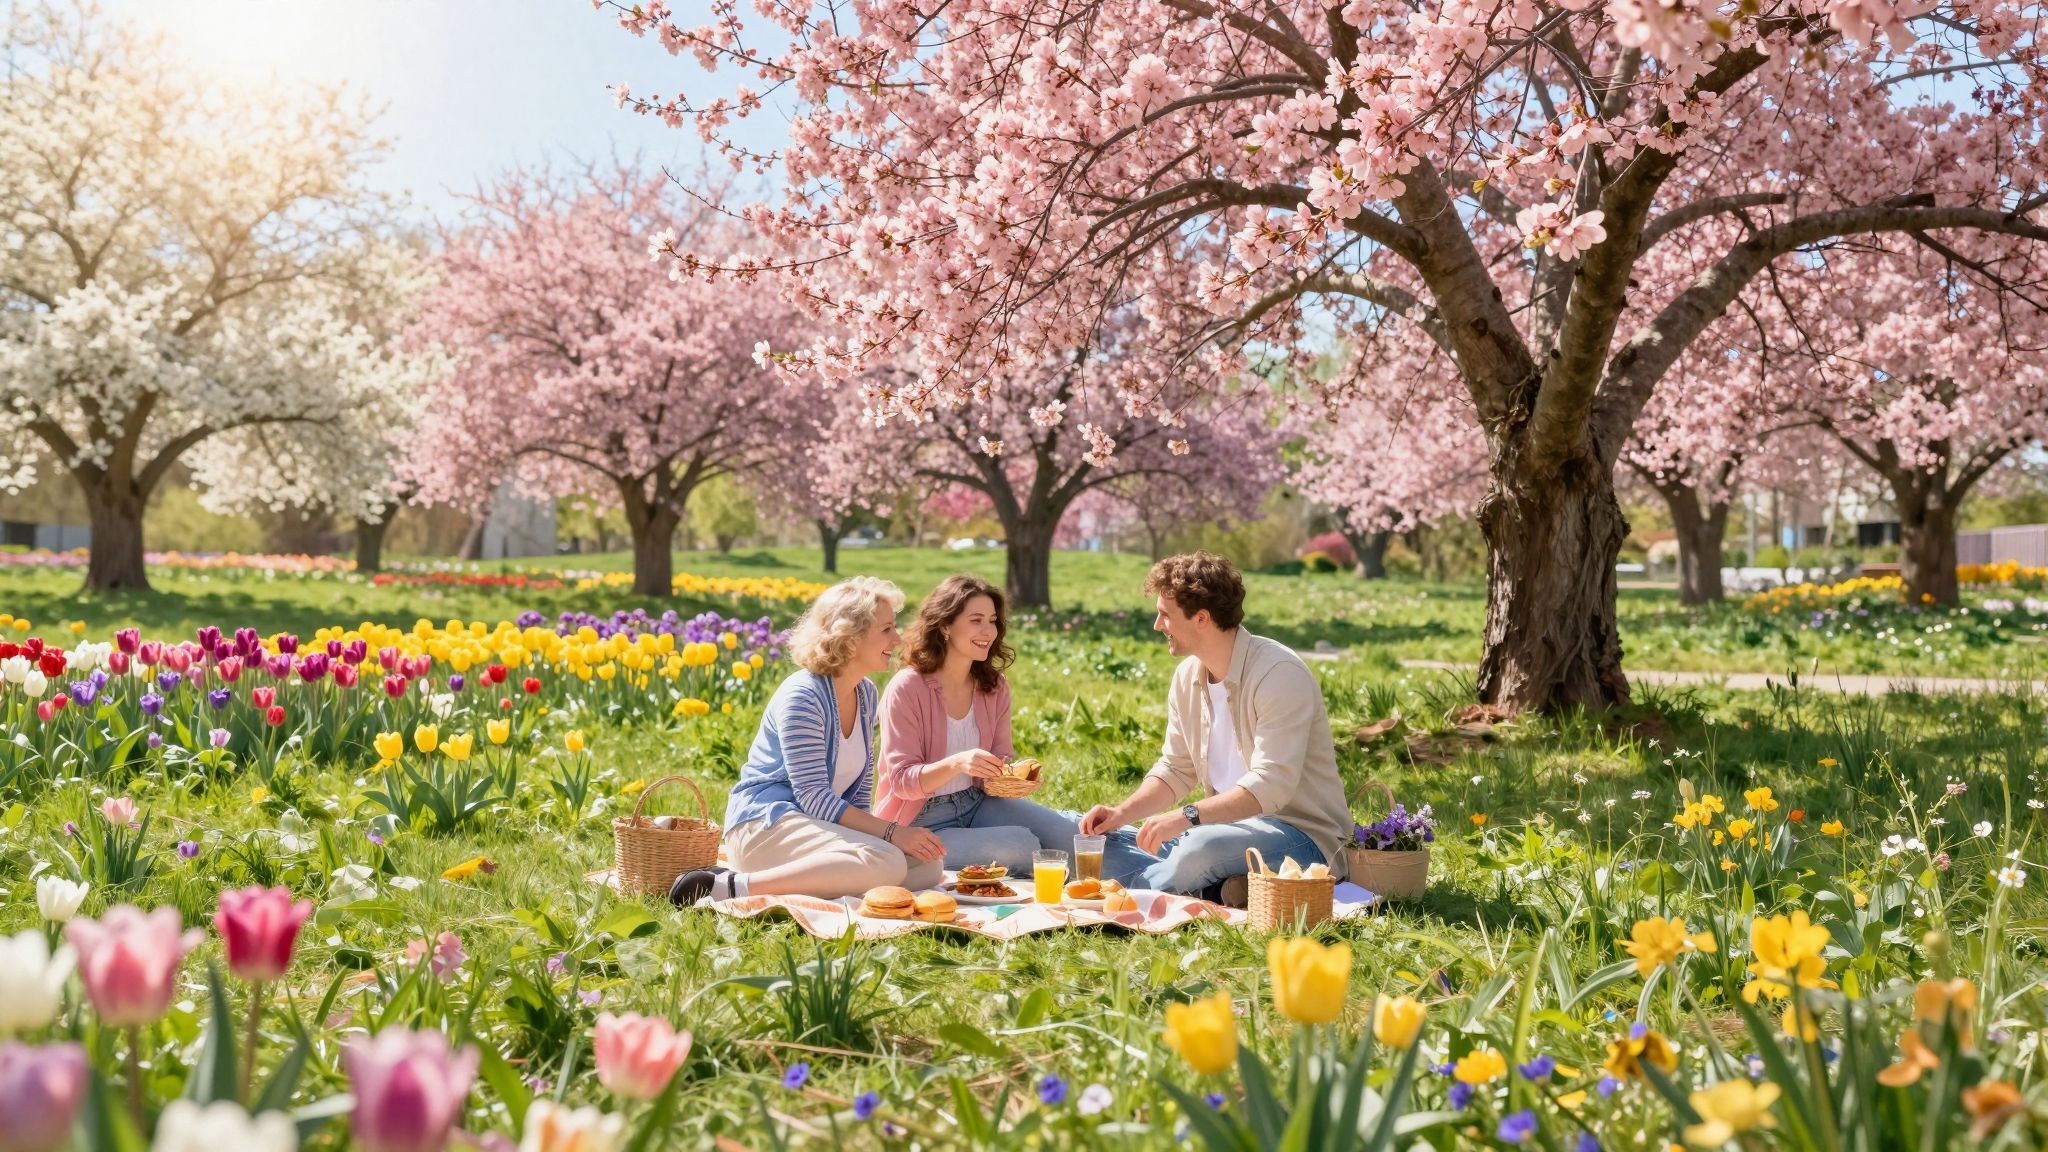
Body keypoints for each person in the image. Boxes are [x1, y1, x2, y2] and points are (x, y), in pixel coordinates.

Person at [1080, 552, 1349, 902]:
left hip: (1303, 837)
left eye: (1165, 614)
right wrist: (1121, 813)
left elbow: (1271, 785)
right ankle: (1213, 887)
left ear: (1202, 618)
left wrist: (1186, 817)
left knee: (1199, 848)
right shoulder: (1187, 677)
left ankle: (1118, 897)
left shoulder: (1279, 673)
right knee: (1096, 838)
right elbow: (1176, 769)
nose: (1158, 625)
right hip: (1222, 831)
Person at [670, 576, 945, 904]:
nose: (897, 638)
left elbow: (858, 795)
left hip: (816, 827)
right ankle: (729, 887)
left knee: (928, 865)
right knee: (887, 861)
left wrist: (882, 839)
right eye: (887, 629)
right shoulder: (803, 695)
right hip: (765, 827)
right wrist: (891, 833)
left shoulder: (866, 694)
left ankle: (830, 877)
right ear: (850, 638)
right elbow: (813, 796)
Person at [876, 574, 1079, 872]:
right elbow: (901, 782)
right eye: (976, 620)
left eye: (992, 621)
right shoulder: (907, 688)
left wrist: (1012, 777)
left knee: (1071, 835)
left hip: (976, 801)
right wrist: (958, 764)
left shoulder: (993, 686)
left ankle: (1142, 870)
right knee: (1024, 846)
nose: (988, 631)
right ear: (945, 626)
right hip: (920, 820)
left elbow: (998, 760)